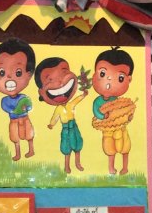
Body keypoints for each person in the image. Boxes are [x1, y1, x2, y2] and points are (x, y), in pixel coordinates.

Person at [34, 56, 87, 174]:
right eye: (50, 79)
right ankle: (67, 166)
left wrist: (83, 95)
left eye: (63, 74)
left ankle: (77, 163)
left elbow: (77, 100)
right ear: (41, 93)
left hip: (74, 127)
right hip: (65, 129)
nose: (59, 83)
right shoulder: (58, 109)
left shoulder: (70, 104)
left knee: (77, 145)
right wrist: (51, 124)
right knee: (66, 148)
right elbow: (55, 117)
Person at [91, 47, 136, 175]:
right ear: (94, 76)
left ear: (129, 80)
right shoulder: (98, 101)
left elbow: (124, 114)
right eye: (103, 74)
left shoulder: (119, 102)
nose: (109, 79)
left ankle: (125, 167)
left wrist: (128, 117)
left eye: (120, 78)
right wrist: (102, 116)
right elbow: (96, 111)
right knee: (110, 149)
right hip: (108, 130)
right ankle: (111, 167)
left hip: (121, 128)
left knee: (125, 147)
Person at [0, 38, 36, 160]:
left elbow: (29, 105)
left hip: (25, 118)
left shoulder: (24, 97)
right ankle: (18, 153)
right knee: (15, 137)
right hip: (14, 120)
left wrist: (26, 108)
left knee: (29, 134)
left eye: (18, 73)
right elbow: (7, 108)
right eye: (2, 73)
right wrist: (14, 110)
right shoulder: (5, 100)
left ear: (29, 75)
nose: (9, 77)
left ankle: (31, 150)